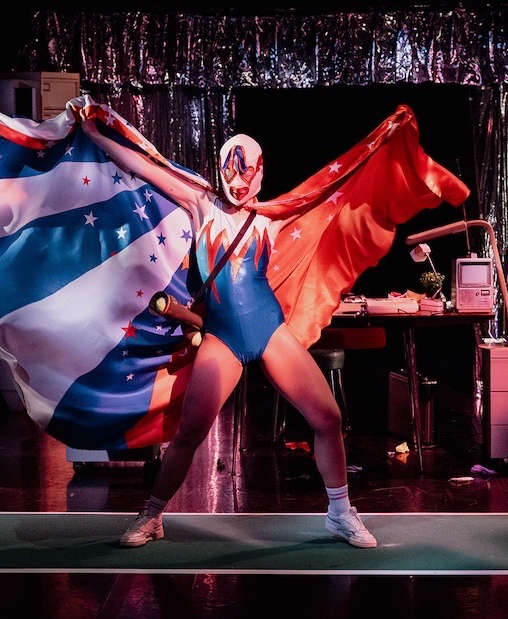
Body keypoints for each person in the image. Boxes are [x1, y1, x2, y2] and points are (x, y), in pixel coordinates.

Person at [73, 97, 378, 548]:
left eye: (245, 172)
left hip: (269, 332)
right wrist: (95, 135)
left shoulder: (272, 218)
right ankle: (151, 515)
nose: (237, 182)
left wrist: (377, 146)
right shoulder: (202, 205)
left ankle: (339, 512)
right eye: (229, 172)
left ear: (260, 170)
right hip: (223, 338)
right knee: (190, 433)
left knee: (328, 418)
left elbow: (332, 187)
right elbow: (145, 167)